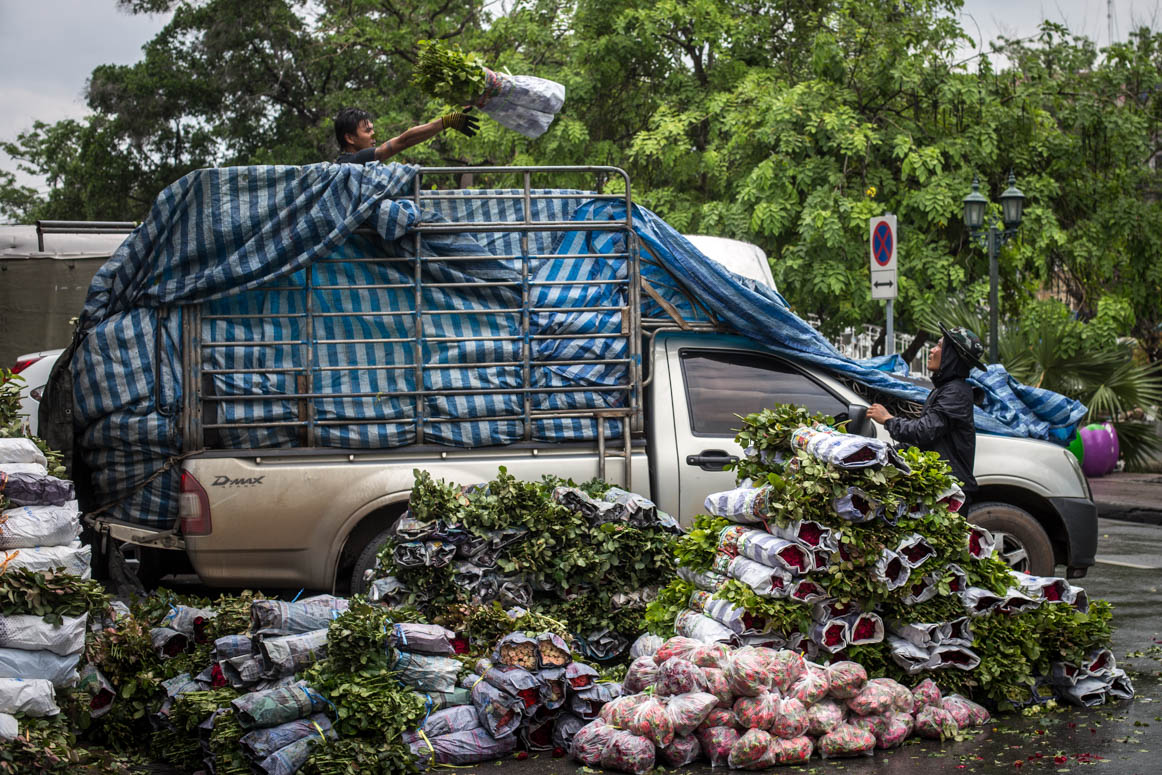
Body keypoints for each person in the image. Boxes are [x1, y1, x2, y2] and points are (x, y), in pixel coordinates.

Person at [866, 323, 986, 505]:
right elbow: (928, 439)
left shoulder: (955, 392)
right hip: (941, 488)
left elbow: (925, 431)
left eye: (939, 346)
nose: (932, 350)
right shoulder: (948, 390)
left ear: (951, 356)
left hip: (948, 492)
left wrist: (888, 420)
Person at [333, 106, 479, 164]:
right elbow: (404, 141)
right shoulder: (352, 162)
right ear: (350, 138)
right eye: (368, 131)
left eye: (373, 129)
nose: (374, 135)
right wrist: (446, 121)